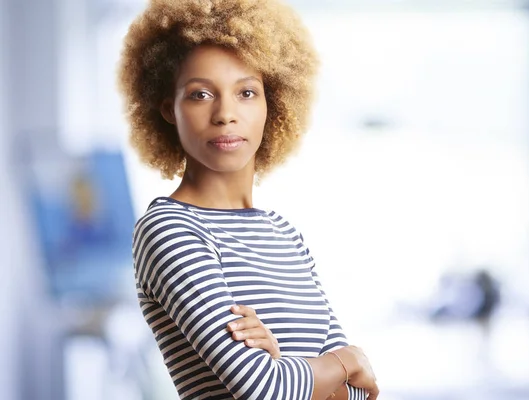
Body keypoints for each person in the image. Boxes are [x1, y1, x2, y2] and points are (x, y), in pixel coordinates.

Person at [117, 0, 379, 399]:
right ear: (168, 108)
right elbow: (264, 387)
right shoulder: (169, 230)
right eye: (200, 94)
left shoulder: (284, 234)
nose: (225, 114)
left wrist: (286, 369)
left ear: (272, 103)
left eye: (246, 92)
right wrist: (344, 362)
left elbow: (361, 393)